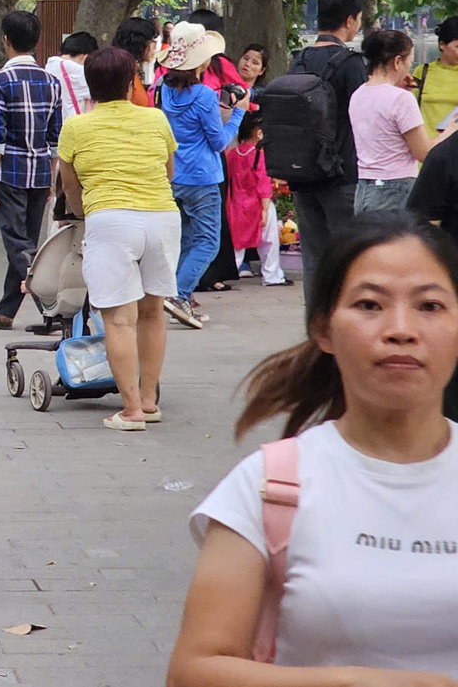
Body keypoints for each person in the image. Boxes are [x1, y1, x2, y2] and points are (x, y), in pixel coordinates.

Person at [169, 212, 458, 681]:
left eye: (430, 306)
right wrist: (357, 681)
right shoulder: (268, 488)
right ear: (323, 329)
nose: (401, 329)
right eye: (369, 305)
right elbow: (194, 671)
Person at [55, 48, 180, 430]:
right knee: (152, 310)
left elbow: (70, 187)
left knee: (118, 319)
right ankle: (149, 399)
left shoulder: (76, 127)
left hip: (110, 221)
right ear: (131, 84)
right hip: (162, 217)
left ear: (89, 86)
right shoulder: (156, 119)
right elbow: (169, 170)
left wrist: (82, 212)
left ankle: (131, 411)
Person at [157, 22, 245, 326]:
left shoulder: (161, 90)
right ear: (202, 61)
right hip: (203, 178)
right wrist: (239, 113)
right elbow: (219, 141)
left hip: (173, 175)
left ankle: (175, 293)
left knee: (183, 240)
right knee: (207, 241)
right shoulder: (205, 96)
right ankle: (179, 295)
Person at [0, 10, 63, 331]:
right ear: (37, 41)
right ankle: (5, 312)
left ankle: (52, 304)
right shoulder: (51, 81)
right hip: (41, 171)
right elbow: (55, 137)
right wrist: (53, 180)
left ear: (6, 40)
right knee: (26, 240)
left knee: (17, 243)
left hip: (10, 172)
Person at [283, 0, 366, 281]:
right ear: (349, 20)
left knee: (315, 261)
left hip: (303, 173)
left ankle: (317, 325)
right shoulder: (351, 63)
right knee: (349, 260)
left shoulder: (300, 60)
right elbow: (364, 116)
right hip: (341, 173)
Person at [351, 28, 441, 213]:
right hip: (396, 186)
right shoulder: (401, 99)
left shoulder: (358, 94)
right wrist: (449, 129)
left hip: (364, 186)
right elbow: (423, 153)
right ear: (397, 61)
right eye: (409, 61)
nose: (410, 68)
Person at [224, 113, 289, 286]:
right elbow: (262, 183)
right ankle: (272, 275)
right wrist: (266, 209)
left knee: (237, 243)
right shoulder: (259, 155)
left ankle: (225, 273)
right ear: (258, 133)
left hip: (236, 202)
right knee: (269, 241)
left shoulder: (232, 154)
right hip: (257, 203)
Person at [415, 16, 458, 134]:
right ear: (442, 45)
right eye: (457, 47)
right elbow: (408, 107)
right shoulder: (422, 72)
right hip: (427, 146)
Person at [45, 31, 97, 117]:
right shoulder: (77, 71)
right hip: (72, 125)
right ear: (85, 57)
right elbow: (103, 92)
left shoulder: (49, 66)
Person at [112, 17, 161, 106]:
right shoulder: (122, 72)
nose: (155, 47)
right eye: (152, 41)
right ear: (140, 43)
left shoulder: (127, 68)